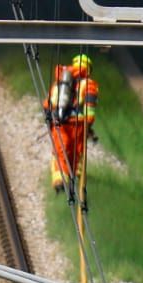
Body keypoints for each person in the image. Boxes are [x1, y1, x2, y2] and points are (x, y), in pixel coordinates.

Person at [45, 53, 98, 193]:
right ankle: (73, 177)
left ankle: (59, 179)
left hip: (59, 121)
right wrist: (88, 128)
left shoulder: (60, 81)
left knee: (60, 149)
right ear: (89, 69)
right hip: (78, 124)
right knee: (75, 152)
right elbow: (90, 112)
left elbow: (47, 104)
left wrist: (51, 122)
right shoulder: (89, 84)